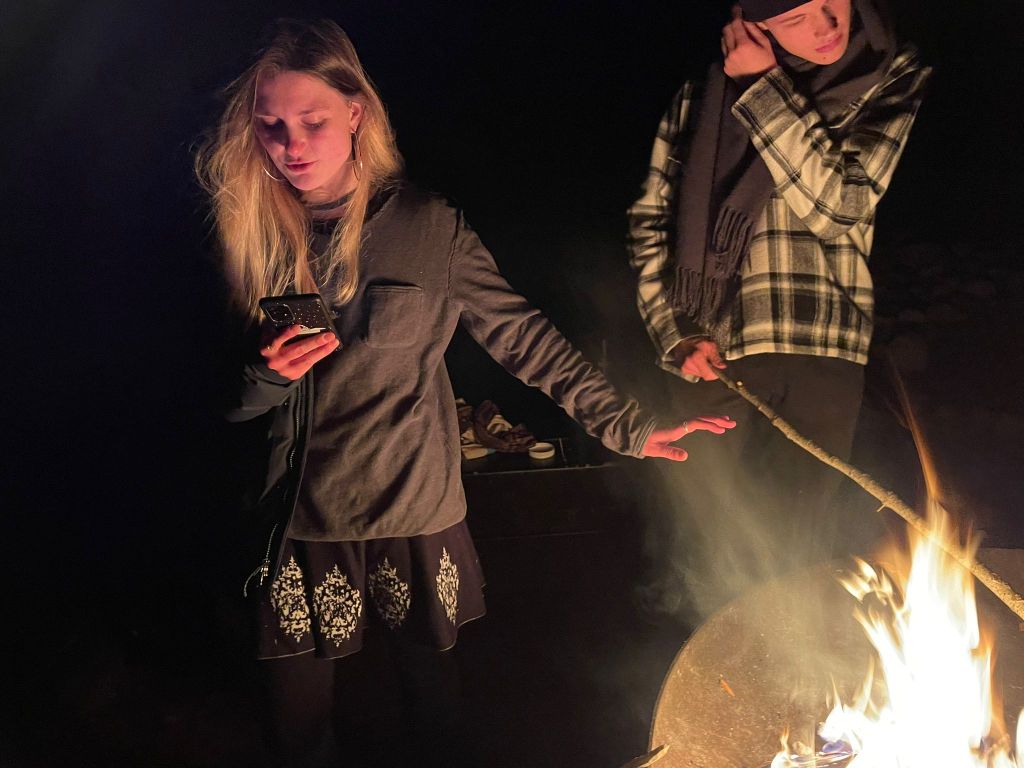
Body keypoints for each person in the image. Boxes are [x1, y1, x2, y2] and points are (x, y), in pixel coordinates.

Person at [195, 18, 734, 767]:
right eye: (271, 125)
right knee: (298, 726)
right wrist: (267, 375)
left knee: (432, 711)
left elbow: (523, 337)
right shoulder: (249, 235)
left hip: (414, 512)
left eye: (312, 120)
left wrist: (628, 426)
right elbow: (222, 403)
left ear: (356, 112)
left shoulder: (428, 228)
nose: (292, 145)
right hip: (301, 519)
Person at [627, 0, 930, 615]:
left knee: (800, 540)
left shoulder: (887, 72)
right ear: (754, 20)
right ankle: (705, 668)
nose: (826, 27)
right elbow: (651, 217)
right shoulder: (701, 96)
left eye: (830, 2)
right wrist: (672, 331)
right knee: (706, 539)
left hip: (823, 342)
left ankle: (796, 665)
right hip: (710, 346)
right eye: (796, 17)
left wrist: (763, 87)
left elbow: (840, 205)